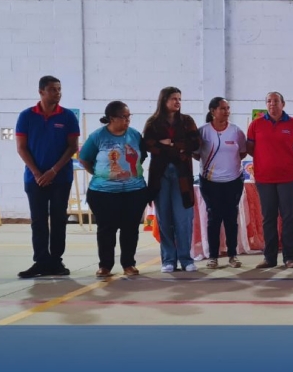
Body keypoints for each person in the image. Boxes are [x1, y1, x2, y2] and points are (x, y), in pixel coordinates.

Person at [15, 75, 79, 278]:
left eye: (59, 89)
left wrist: (54, 171)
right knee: (38, 220)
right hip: (35, 179)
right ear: (41, 92)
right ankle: (41, 261)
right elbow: (21, 148)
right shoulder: (26, 116)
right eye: (52, 89)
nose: (57, 93)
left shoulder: (67, 117)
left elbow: (72, 147)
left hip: (61, 178)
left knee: (59, 219)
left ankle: (56, 261)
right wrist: (37, 172)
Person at [79, 101, 149, 277]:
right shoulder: (97, 136)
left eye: (129, 117)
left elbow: (142, 157)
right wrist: (101, 174)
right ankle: (105, 265)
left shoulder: (135, 135)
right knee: (106, 229)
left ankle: (128, 264)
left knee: (130, 229)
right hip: (103, 193)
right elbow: (84, 159)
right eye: (123, 117)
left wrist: (131, 172)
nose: (127, 120)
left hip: (134, 191)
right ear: (111, 118)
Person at [142, 86, 201, 273]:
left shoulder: (187, 121)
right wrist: (171, 147)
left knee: (183, 219)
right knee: (164, 218)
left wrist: (170, 144)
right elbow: (147, 144)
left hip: (182, 176)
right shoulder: (152, 122)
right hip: (160, 176)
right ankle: (168, 260)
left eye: (179, 99)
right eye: (174, 98)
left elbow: (195, 143)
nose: (178, 102)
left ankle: (186, 259)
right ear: (164, 100)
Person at [247, 91, 293, 269]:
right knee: (268, 217)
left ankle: (290, 257)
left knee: (288, 217)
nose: (272, 104)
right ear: (266, 104)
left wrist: (286, 160)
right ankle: (269, 258)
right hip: (264, 178)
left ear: (283, 104)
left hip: (288, 177)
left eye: (276, 101)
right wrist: (265, 160)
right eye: (269, 101)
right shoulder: (256, 124)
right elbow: (250, 148)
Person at [196, 97, 247, 269]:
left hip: (233, 181)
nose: (227, 111)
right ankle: (213, 257)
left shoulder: (236, 131)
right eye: (223, 108)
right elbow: (196, 153)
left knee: (231, 218)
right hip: (210, 182)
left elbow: (242, 152)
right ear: (212, 111)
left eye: (228, 108)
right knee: (214, 218)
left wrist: (229, 167)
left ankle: (233, 255)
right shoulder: (203, 131)